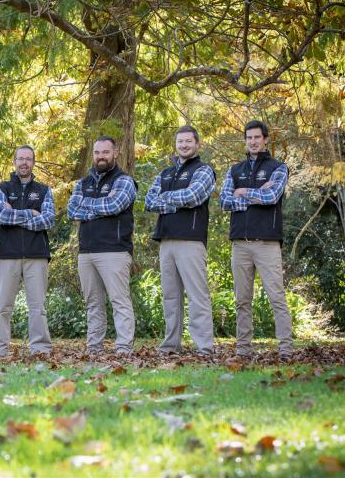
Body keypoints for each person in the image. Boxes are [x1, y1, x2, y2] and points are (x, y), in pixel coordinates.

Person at [220, 120, 293, 360]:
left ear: (265, 139)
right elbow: (224, 201)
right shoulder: (235, 170)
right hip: (240, 243)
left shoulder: (278, 167)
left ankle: (285, 349)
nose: (252, 141)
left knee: (276, 297)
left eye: (256, 137)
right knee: (242, 300)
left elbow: (272, 196)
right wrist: (255, 194)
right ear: (245, 140)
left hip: (267, 242)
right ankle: (243, 350)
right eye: (248, 138)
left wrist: (242, 192)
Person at [145, 125, 215, 356]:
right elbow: (149, 201)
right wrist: (175, 201)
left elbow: (193, 196)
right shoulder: (165, 173)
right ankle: (170, 345)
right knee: (170, 296)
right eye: (180, 141)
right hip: (166, 240)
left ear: (197, 144)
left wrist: (166, 198)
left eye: (188, 141)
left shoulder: (204, 170)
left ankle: (204, 346)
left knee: (197, 294)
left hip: (191, 240)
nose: (184, 145)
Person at [67, 136, 137, 355]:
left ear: (115, 153)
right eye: (97, 153)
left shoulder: (124, 181)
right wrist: (100, 206)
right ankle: (94, 347)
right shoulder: (83, 183)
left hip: (114, 250)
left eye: (105, 152)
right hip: (86, 252)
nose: (101, 157)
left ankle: (124, 347)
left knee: (119, 301)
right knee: (93, 303)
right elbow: (71, 210)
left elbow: (115, 205)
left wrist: (86, 206)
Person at [0, 145, 55, 359]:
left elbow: (49, 219)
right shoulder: (2, 188)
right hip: (7, 253)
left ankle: (41, 349)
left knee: (38, 307)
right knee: (3, 306)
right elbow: (3, 217)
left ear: (34, 162)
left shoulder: (44, 190)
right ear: (14, 161)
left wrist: (16, 214)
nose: (24, 162)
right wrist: (32, 214)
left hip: (37, 254)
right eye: (20, 158)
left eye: (28, 159)